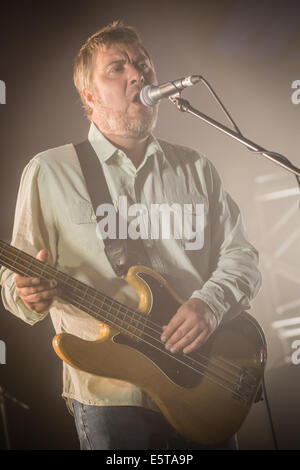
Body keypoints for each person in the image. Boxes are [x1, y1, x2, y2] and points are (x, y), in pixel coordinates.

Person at [0, 21, 261, 450]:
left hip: (204, 384)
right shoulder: (49, 172)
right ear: (89, 96)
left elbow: (242, 257)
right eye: (116, 69)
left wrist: (209, 305)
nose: (136, 75)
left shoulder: (196, 168)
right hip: (111, 398)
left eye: (142, 64)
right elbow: (14, 283)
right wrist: (27, 295)